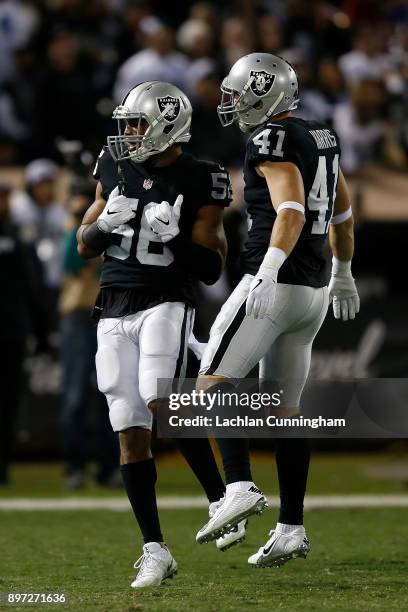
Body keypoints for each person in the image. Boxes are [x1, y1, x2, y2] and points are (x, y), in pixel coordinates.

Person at [195, 53, 360, 568]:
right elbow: (344, 210)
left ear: (265, 92)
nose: (232, 102)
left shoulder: (271, 139)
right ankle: (291, 527)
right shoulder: (322, 135)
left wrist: (266, 272)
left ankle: (239, 486)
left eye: (239, 92)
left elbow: (289, 208)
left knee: (209, 387)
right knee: (285, 415)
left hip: (274, 283)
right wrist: (343, 270)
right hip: (311, 294)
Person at [76, 81, 235, 588]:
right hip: (112, 305)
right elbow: (83, 244)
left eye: (138, 124)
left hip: (166, 300)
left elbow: (212, 266)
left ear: (168, 126)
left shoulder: (202, 176)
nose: (128, 134)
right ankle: (155, 549)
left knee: (161, 400)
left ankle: (222, 497)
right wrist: (102, 229)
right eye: (126, 124)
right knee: (128, 427)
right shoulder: (113, 164)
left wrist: (178, 242)